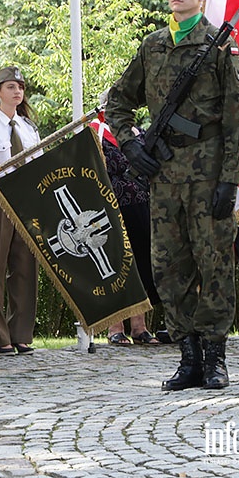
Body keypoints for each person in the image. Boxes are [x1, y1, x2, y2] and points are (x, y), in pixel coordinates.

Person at [105, 0, 239, 391]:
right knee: (170, 267)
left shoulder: (221, 46)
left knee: (215, 264)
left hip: (208, 175)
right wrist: (130, 145)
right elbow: (117, 103)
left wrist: (230, 179)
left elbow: (238, 121)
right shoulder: (152, 46)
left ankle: (215, 357)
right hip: (165, 176)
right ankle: (187, 355)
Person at [0, 66, 41, 356]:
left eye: (21, 87)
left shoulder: (29, 128)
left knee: (26, 267)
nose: (17, 91)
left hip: (26, 200)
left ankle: (21, 334)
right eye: (11, 86)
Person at [90, 99, 163, 346]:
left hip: (142, 204)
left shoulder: (138, 133)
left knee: (141, 263)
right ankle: (115, 327)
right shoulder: (95, 133)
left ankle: (140, 327)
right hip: (111, 207)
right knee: (118, 265)